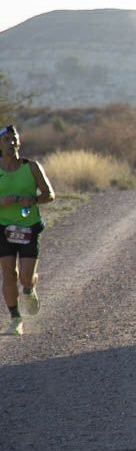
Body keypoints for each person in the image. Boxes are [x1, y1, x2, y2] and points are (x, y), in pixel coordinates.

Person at [0, 125, 55, 335]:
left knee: (24, 276)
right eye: (6, 139)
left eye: (14, 139)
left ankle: (30, 288)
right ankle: (15, 319)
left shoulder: (31, 167)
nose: (11, 142)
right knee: (8, 273)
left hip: (28, 228)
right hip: (3, 228)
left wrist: (32, 199)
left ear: (19, 143)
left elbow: (49, 195)